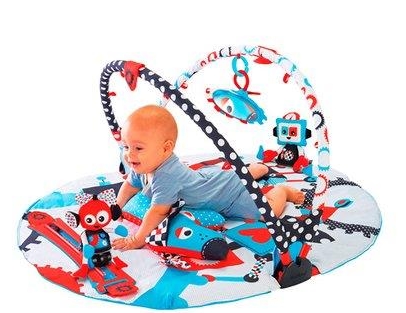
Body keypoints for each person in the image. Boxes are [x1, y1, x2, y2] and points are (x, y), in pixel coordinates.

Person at [112, 105, 304, 251]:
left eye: (138, 148)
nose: (129, 155)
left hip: (226, 196)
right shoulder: (141, 163)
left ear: (166, 148)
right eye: (126, 146)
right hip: (209, 179)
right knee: (234, 176)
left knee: (265, 212)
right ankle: (254, 170)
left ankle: (281, 191)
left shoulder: (166, 176)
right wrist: (117, 207)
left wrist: (136, 239)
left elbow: (158, 212)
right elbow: (130, 185)